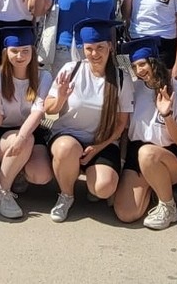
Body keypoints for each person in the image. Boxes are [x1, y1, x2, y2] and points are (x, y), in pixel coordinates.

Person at [44, 18, 133, 222]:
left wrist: (98, 147)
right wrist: (61, 98)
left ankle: (94, 180)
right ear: (83, 49)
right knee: (66, 149)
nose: (95, 54)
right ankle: (66, 195)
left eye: (100, 47)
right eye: (89, 48)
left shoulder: (121, 78)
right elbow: (48, 109)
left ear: (110, 47)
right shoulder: (71, 69)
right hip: (68, 136)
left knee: (104, 188)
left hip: (102, 141)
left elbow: (121, 123)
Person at [113, 38, 177, 230]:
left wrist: (167, 115)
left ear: (154, 61)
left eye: (142, 64)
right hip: (137, 154)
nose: (139, 70)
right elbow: (125, 131)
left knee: (147, 153)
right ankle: (153, 188)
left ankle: (169, 206)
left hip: (168, 155)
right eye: (134, 66)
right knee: (126, 213)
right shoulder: (134, 89)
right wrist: (121, 163)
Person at [0, 23, 53, 218]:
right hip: (0, 135)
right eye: (14, 51)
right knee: (25, 140)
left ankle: (17, 170)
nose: (20, 56)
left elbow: (38, 111)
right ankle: (1, 193)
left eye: (25, 51)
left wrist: (22, 137)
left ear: (33, 51)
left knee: (41, 175)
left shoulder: (44, 76)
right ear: (6, 52)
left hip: (30, 130)